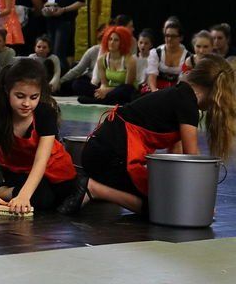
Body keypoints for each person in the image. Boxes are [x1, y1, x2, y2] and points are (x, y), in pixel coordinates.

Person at [77, 55, 236, 215]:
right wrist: (202, 201)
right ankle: (93, 189)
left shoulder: (180, 94)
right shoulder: (187, 103)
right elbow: (192, 160)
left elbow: (177, 154)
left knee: (169, 199)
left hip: (101, 152)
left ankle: (100, 186)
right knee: (163, 209)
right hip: (109, 157)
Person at [0, 59, 79, 214]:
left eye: (34, 97)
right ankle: (0, 190)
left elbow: (41, 160)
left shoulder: (45, 113)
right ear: (7, 91)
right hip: (18, 171)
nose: (27, 103)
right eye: (20, 96)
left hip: (52, 167)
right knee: (43, 199)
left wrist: (24, 196)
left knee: (68, 192)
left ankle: (2, 192)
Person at [79, 26, 136, 105]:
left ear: (123, 42)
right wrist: (103, 90)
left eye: (116, 40)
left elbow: (128, 85)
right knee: (78, 83)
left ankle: (96, 101)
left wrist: (107, 91)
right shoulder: (101, 60)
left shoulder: (129, 60)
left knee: (126, 89)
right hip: (109, 91)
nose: (112, 42)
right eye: (110, 39)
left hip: (123, 91)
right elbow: (104, 83)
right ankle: (107, 100)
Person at [59, 23, 105, 97]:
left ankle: (100, 95)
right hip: (90, 80)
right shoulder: (93, 50)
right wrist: (60, 81)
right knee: (73, 84)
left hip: (105, 82)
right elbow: (78, 69)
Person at [144, 16, 189, 93]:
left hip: (177, 91)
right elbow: (151, 76)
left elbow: (184, 83)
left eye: (173, 36)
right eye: (167, 35)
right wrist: (155, 91)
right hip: (156, 90)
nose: (169, 39)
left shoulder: (187, 57)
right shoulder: (156, 53)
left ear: (181, 38)